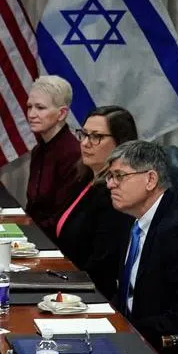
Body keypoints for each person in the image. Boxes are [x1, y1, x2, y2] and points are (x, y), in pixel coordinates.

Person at [93, 140, 178, 347]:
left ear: (150, 179)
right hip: (125, 334)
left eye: (119, 176)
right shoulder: (131, 216)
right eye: (110, 176)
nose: (110, 184)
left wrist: (122, 331)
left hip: (154, 347)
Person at [54, 106, 137, 271]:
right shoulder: (84, 178)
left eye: (96, 137)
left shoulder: (116, 194)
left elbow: (102, 266)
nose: (85, 143)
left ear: (121, 143)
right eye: (84, 134)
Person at [24, 76, 83, 236]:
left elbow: (62, 218)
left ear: (62, 113)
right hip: (34, 235)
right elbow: (33, 207)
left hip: (56, 242)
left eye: (40, 108)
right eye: (30, 107)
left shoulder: (73, 154)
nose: (32, 114)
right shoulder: (38, 150)